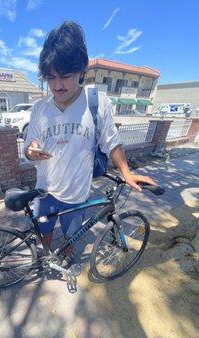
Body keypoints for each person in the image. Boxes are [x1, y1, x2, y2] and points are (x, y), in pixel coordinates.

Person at [24, 20, 156, 270]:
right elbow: (29, 145)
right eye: (50, 77)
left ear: (81, 71)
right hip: (45, 189)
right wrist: (30, 151)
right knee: (44, 229)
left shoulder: (97, 102)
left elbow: (111, 142)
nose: (57, 85)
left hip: (77, 192)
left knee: (73, 233)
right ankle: (47, 256)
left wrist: (126, 172)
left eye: (65, 76)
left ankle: (67, 255)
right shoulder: (40, 109)